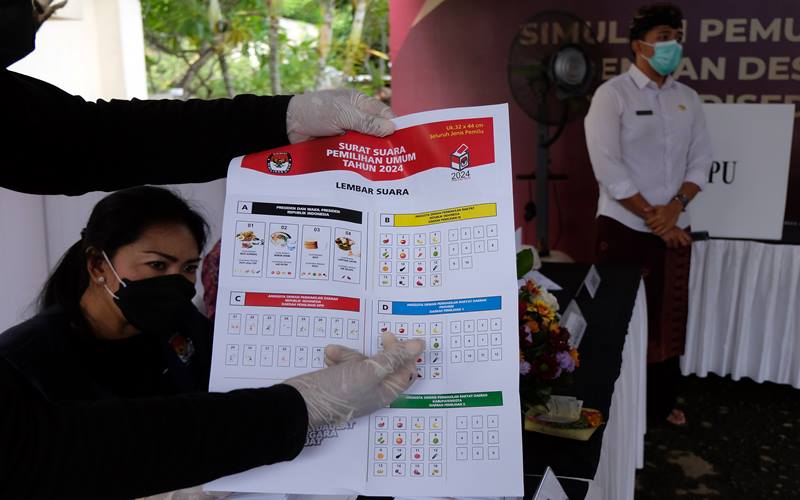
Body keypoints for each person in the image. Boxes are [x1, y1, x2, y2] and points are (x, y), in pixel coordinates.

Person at [0, 2, 422, 497]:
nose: (35, 10)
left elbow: (86, 138)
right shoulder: (31, 355)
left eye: (187, 267)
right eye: (155, 263)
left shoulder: (181, 329)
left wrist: (279, 120)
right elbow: (39, 453)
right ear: (97, 263)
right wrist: (297, 410)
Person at [584, 3, 712, 427]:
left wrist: (675, 209)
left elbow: (701, 161)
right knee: (618, 319)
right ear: (639, 45)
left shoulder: (687, 99)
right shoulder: (612, 95)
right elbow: (608, 167)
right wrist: (655, 219)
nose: (673, 45)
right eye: (664, 37)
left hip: (675, 226)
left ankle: (659, 404)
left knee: (667, 318)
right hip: (623, 227)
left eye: (677, 37)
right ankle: (612, 407)